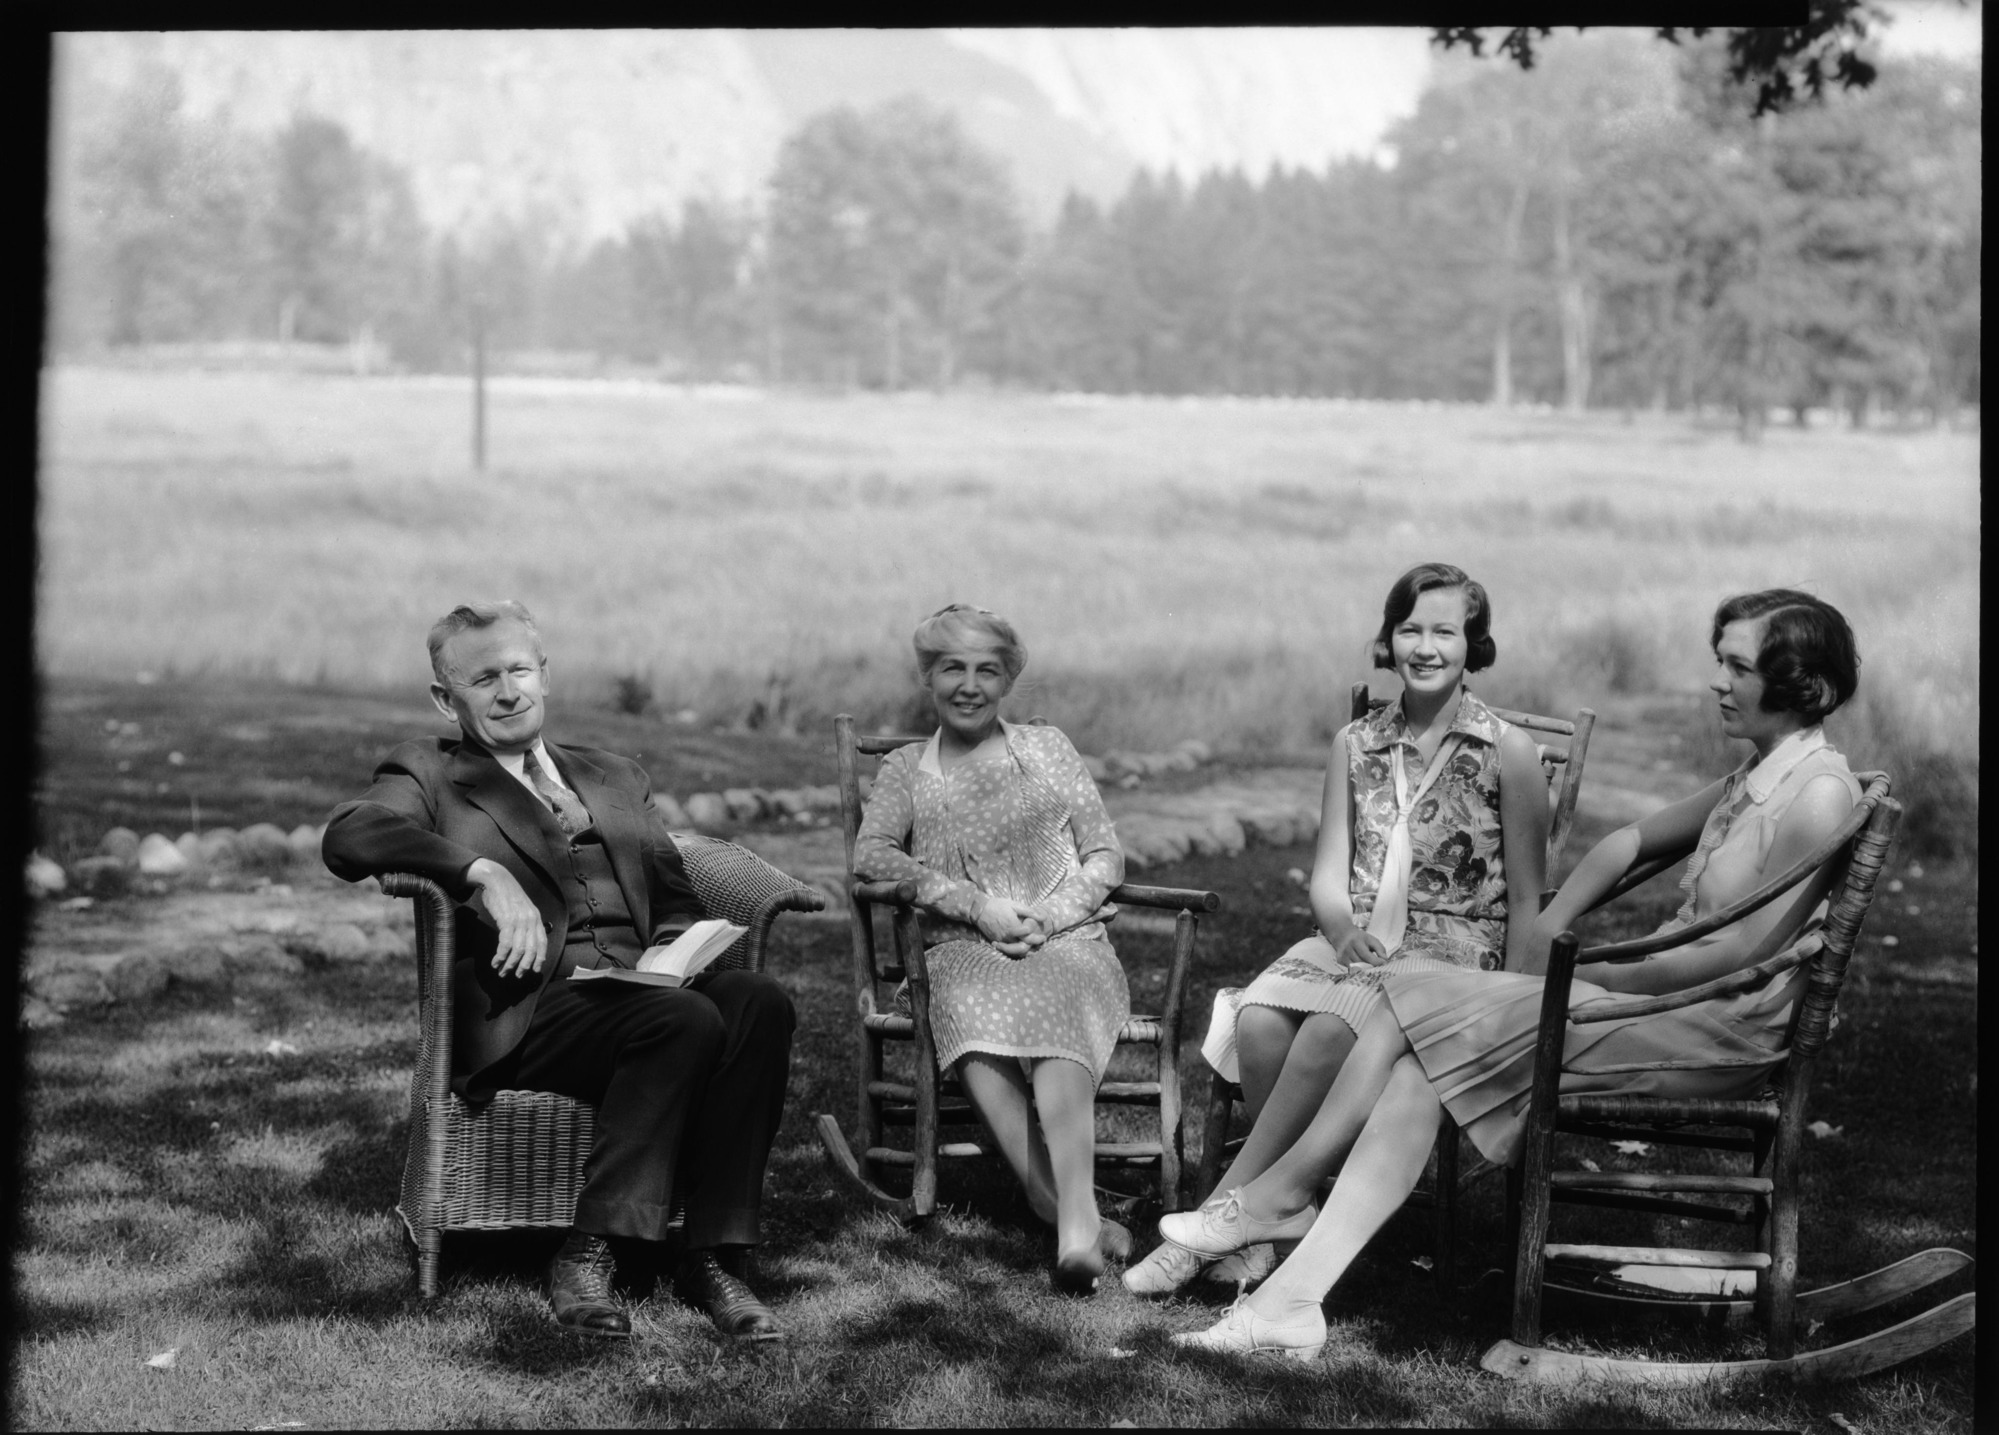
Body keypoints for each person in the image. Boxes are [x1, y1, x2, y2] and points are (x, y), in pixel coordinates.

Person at [1166, 589, 1865, 1358]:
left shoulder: (1818, 792)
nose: (1718, 681)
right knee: (1416, 1061)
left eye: (1737, 666)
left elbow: (1737, 957)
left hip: (1711, 1030)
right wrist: (1552, 924)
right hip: (1659, 1003)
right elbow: (1628, 841)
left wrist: (1587, 976)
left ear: (1803, 684)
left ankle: (1275, 1196)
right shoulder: (1758, 773)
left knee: (1412, 1008)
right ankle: (1290, 1297)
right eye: (1720, 662)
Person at [323, 601, 795, 1342]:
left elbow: (670, 893)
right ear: (447, 698)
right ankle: (589, 1250)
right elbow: (350, 834)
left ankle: (713, 1254)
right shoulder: (430, 771)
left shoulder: (612, 773)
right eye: (484, 679)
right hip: (531, 1012)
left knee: (758, 1001)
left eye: (518, 670)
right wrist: (479, 870)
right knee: (683, 1019)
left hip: (644, 995)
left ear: (544, 674)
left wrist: (671, 953)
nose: (508, 691)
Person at [1126, 563, 1548, 1296]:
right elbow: (1327, 875)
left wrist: (1512, 1006)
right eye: (1408, 628)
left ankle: (1222, 1214)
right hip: (1355, 935)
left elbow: (1530, 898)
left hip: (1454, 950)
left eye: (1443, 631)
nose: (1423, 646)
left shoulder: (1504, 750)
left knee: (1326, 1028)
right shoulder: (1354, 743)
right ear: (1386, 639)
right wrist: (1342, 931)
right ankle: (1274, 1213)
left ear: (1472, 644)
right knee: (1258, 1018)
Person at [852, 603, 1134, 1293]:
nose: (969, 685)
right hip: (959, 947)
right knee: (968, 1002)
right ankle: (1056, 1201)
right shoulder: (905, 769)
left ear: (1007, 679)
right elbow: (871, 857)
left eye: (987, 669)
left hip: (1067, 937)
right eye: (952, 668)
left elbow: (1105, 854)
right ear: (927, 677)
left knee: (1057, 988)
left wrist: (1047, 915)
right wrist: (975, 906)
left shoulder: (1047, 748)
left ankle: (1071, 1216)